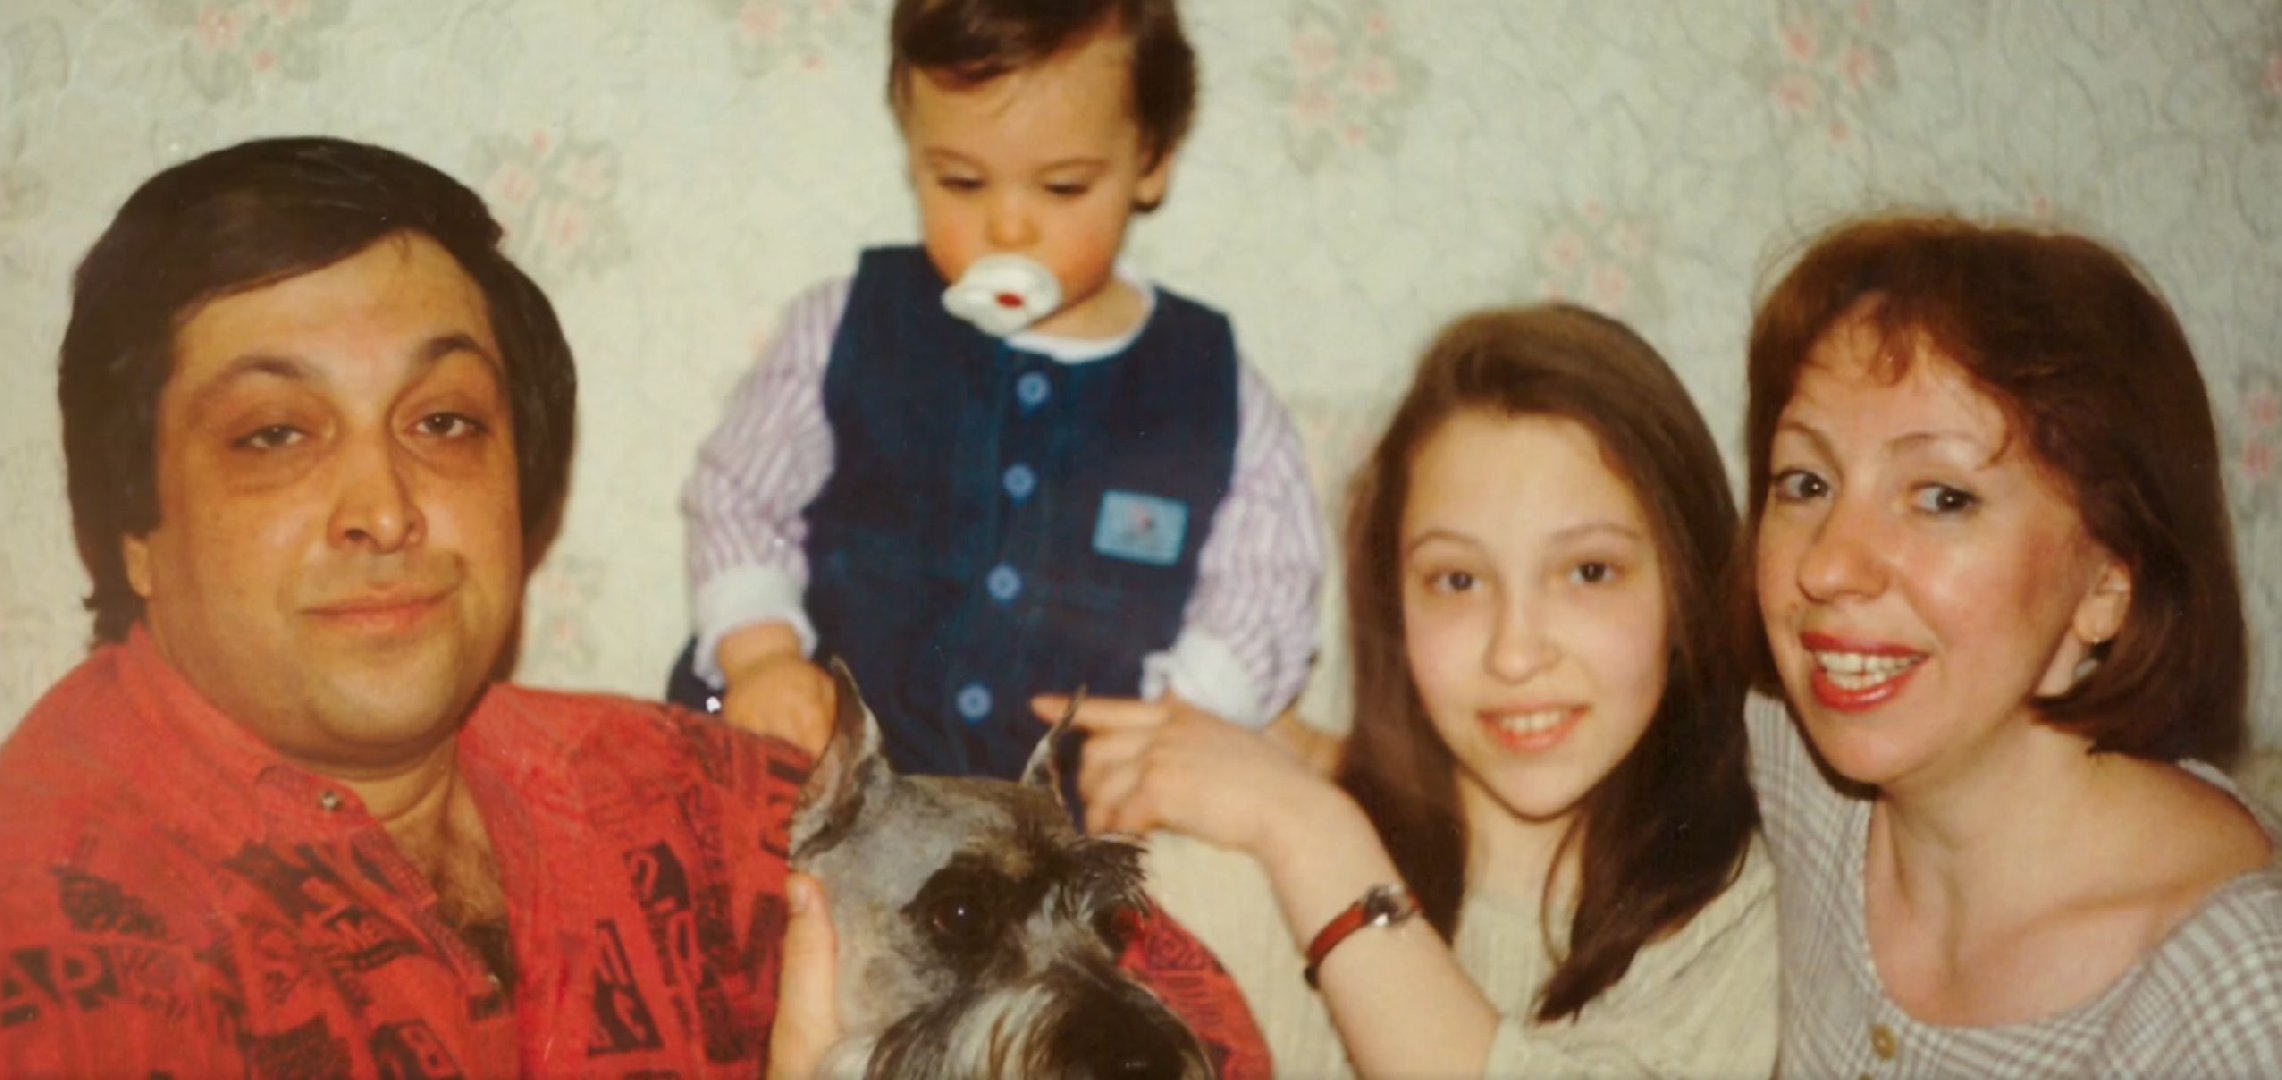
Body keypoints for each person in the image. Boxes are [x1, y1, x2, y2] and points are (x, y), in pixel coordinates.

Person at [0, 135, 1268, 1078]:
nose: (381, 508)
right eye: (274, 433)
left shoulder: (674, 792)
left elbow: (1191, 1018)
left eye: (443, 422)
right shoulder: (55, 936)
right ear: (135, 527)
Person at [1050, 305, 1779, 1076]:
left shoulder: (1741, 915)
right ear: (1394, 603)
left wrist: (1311, 831)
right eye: (1457, 580)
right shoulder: (1232, 869)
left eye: (1588, 572)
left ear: (1686, 584)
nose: (1515, 653)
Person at [667, 0, 1325, 783]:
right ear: (913, 154)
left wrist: (1184, 719)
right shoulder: (841, 327)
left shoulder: (1213, 389)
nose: (1008, 228)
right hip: (822, 779)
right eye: (961, 181)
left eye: (1063, 187)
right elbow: (738, 497)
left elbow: (1269, 588)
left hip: (1054, 817)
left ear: (1150, 161)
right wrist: (761, 655)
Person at [1740, 215, 2282, 1074]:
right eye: (1806, 483)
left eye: (1942, 498)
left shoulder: (2237, 999)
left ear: (2107, 584)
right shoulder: (1796, 779)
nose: (1829, 566)